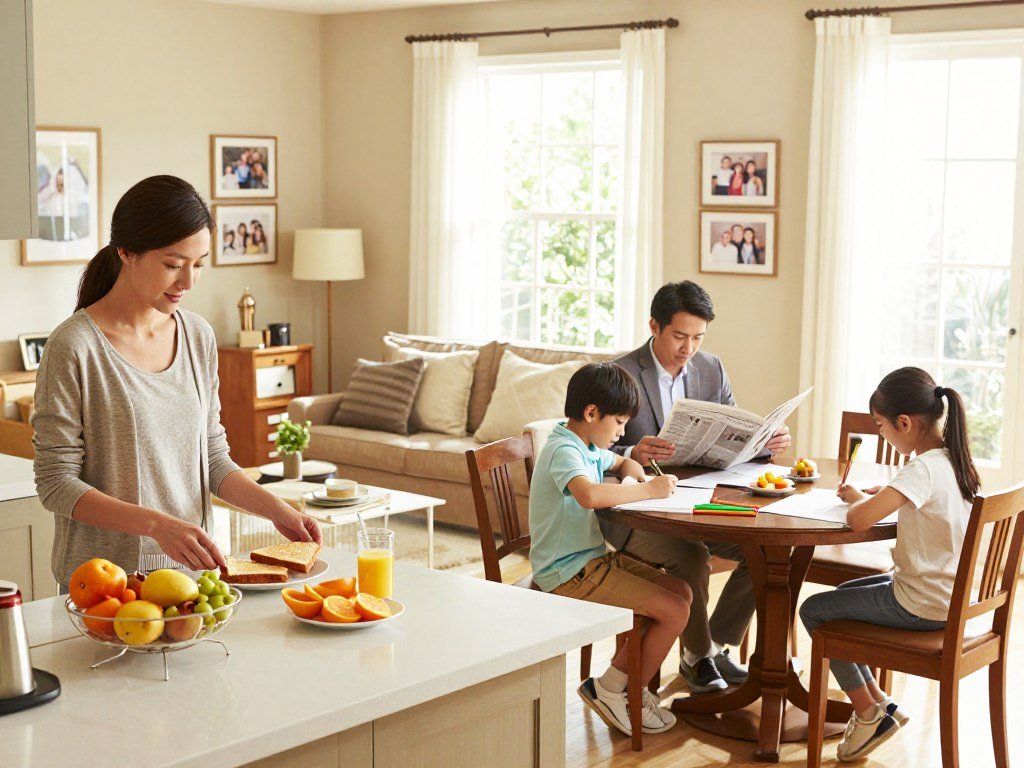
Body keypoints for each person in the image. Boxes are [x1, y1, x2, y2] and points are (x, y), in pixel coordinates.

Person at [32, 175, 321, 589]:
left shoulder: (197, 337)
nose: (187, 282)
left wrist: (278, 510)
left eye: (199, 264)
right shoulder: (75, 347)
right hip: (104, 587)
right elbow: (56, 484)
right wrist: (156, 526)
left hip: (194, 580)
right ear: (126, 252)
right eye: (172, 265)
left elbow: (213, 459)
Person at [607, 281, 792, 693]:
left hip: (702, 500)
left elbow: (732, 434)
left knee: (765, 548)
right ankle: (698, 657)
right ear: (654, 326)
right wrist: (632, 450)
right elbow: (591, 447)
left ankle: (712, 646)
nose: (688, 348)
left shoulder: (711, 367)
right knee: (691, 556)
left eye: (697, 337)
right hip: (641, 512)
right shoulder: (619, 373)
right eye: (679, 336)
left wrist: (763, 443)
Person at [799, 367, 979, 761]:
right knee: (843, 597)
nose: (881, 433)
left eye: (881, 426)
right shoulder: (952, 461)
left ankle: (866, 712)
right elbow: (911, 503)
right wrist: (873, 494)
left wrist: (860, 501)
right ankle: (881, 705)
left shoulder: (921, 468)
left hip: (921, 606)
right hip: (949, 601)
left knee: (814, 610)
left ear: (904, 422)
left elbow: (858, 520)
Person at [530, 362, 692, 737]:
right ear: (591, 413)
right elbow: (588, 495)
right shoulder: (563, 450)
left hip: (591, 560)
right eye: (619, 423)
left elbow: (624, 460)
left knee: (681, 593)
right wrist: (647, 490)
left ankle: (620, 686)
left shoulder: (586, 445)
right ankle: (616, 689)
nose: (622, 432)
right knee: (673, 611)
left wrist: (634, 474)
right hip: (565, 572)